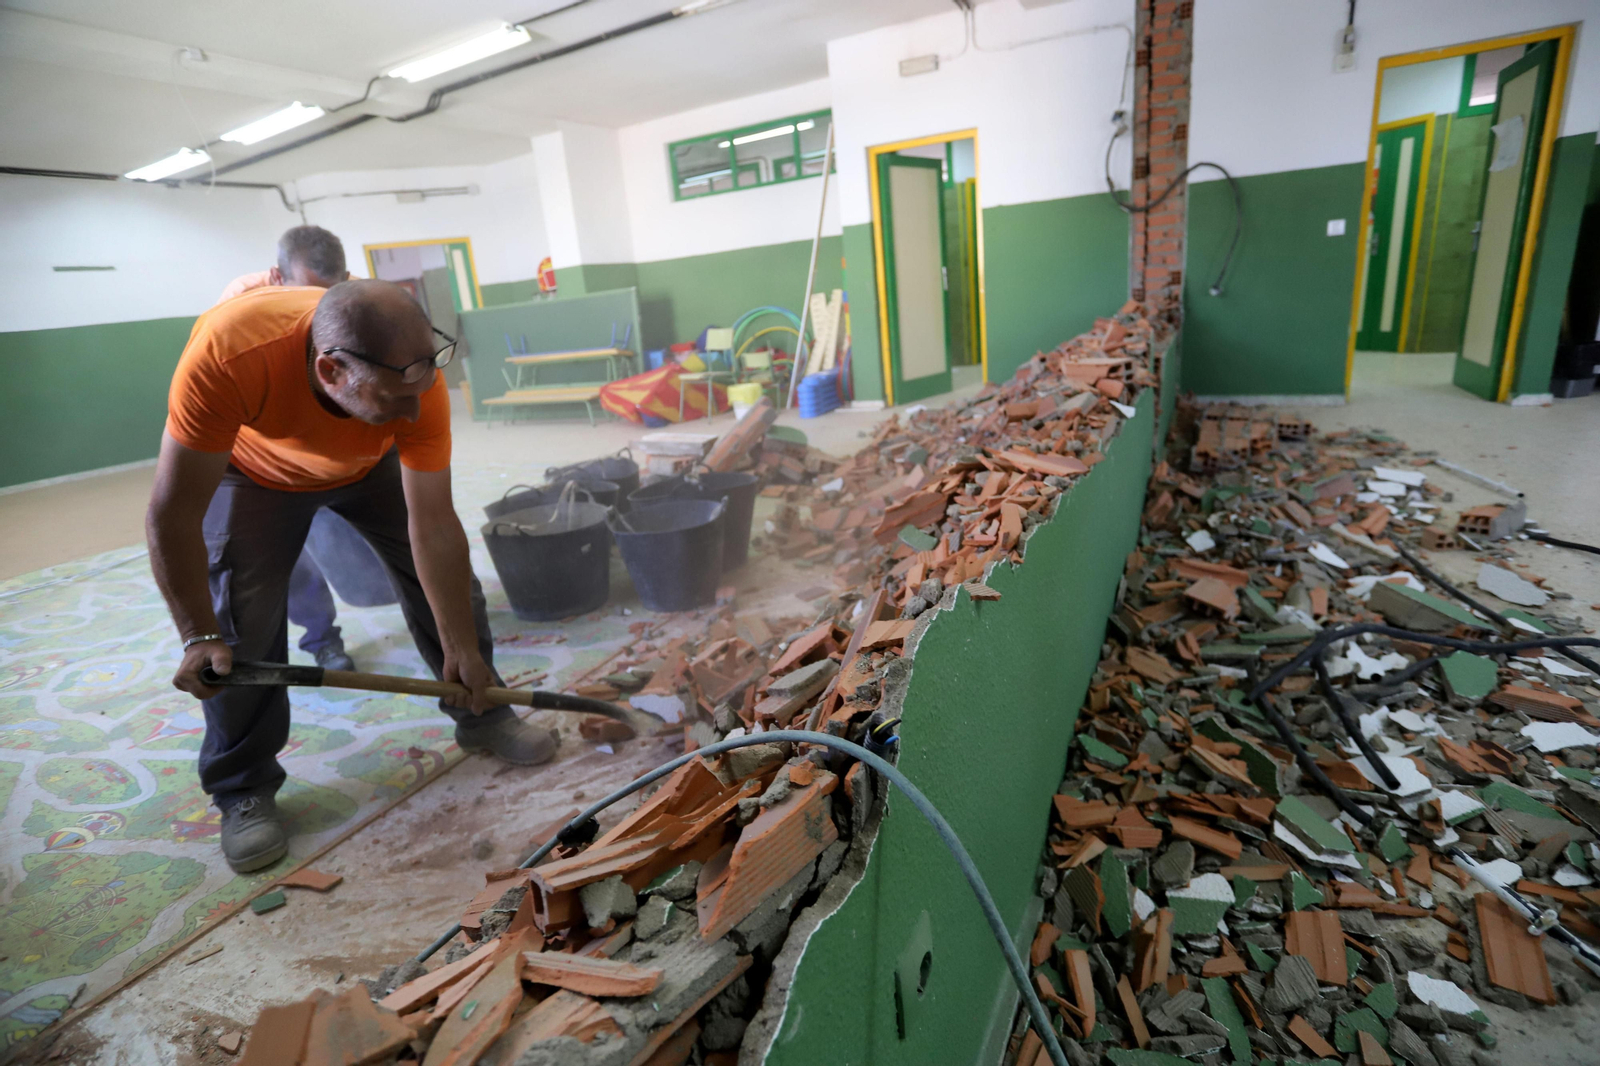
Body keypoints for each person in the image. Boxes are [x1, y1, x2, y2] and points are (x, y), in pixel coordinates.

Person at [147, 278, 557, 874]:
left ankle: (483, 711)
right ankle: (243, 787)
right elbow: (172, 514)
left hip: (369, 459)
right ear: (331, 371)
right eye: (397, 397)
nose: (416, 409)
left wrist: (460, 645)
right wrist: (194, 633)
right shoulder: (229, 353)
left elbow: (435, 524)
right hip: (256, 474)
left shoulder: (412, 383)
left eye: (421, 387)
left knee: (448, 586)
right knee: (240, 620)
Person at [218, 225, 385, 673]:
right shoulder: (239, 306)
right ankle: (322, 640)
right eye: (304, 293)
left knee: (362, 534)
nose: (315, 308)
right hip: (264, 453)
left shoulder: (357, 303)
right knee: (286, 555)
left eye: (327, 295)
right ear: (276, 277)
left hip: (332, 439)